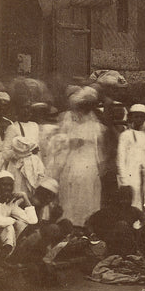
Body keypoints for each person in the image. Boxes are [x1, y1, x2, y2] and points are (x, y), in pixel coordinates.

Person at [50, 87, 108, 226]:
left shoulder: (96, 127)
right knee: (70, 192)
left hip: (90, 164)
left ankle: (86, 225)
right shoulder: (68, 122)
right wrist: (69, 142)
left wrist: (101, 167)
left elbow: (100, 150)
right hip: (71, 161)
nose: (83, 111)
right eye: (81, 107)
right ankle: (68, 224)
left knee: (87, 192)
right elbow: (57, 142)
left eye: (87, 108)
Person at [0, 170, 38, 258]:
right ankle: (2, 258)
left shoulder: (10, 203)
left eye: (10, 185)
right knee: (9, 227)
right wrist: (14, 220)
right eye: (4, 184)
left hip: (0, 237)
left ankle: (3, 258)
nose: (8, 188)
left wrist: (24, 197)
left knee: (21, 224)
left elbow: (32, 220)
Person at [2, 100, 47, 200]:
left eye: (28, 108)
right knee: (19, 196)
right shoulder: (12, 127)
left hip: (34, 167)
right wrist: (24, 152)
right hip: (18, 169)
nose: (27, 111)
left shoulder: (35, 126)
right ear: (17, 110)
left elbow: (37, 150)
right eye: (23, 108)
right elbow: (5, 153)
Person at [117, 104, 145, 211]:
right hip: (130, 173)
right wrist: (124, 180)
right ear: (131, 118)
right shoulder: (126, 135)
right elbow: (121, 158)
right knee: (133, 200)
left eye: (141, 117)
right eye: (136, 116)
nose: (139, 119)